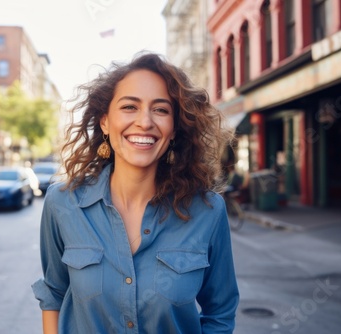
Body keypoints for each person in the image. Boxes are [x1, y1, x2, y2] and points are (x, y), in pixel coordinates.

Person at [31, 52, 239, 333]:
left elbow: (220, 311)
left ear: (174, 128)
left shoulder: (208, 210)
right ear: (105, 121)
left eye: (161, 110)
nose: (145, 122)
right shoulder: (62, 203)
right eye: (130, 107)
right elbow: (54, 294)